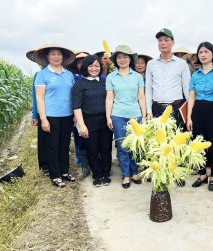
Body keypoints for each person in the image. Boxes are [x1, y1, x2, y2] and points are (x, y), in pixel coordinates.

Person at [145, 28, 191, 186]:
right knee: (157, 141)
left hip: (175, 108)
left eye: (166, 40)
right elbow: (148, 90)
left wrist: (189, 114)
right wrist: (149, 111)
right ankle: (157, 170)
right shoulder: (151, 64)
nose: (163, 43)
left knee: (175, 142)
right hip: (157, 108)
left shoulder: (182, 64)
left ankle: (175, 172)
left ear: (172, 42)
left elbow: (187, 90)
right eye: (160, 40)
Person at [186, 42, 213, 191]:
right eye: (200, 52)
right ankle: (202, 173)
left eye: (206, 51)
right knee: (198, 143)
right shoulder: (195, 75)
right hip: (198, 110)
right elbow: (191, 97)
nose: (203, 55)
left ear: (212, 54)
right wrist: (189, 117)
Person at [34, 43, 76, 188]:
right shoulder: (42, 74)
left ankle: (64, 172)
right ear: (47, 57)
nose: (56, 57)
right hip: (51, 115)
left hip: (67, 115)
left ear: (63, 57)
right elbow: (39, 98)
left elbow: (72, 96)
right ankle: (55, 176)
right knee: (52, 145)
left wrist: (75, 115)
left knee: (64, 144)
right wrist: (43, 118)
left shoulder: (68, 74)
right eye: (53, 54)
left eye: (59, 54)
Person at [106, 45, 146, 189]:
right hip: (118, 115)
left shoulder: (137, 77)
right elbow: (109, 98)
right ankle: (126, 175)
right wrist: (108, 117)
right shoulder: (111, 77)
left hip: (136, 115)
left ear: (130, 59)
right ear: (115, 60)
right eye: (119, 57)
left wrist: (144, 115)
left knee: (135, 146)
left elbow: (141, 97)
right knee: (122, 147)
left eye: (125, 57)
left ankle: (135, 172)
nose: (122, 60)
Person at [72, 55, 113, 187]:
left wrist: (109, 118)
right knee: (92, 148)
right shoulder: (79, 84)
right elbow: (76, 107)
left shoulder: (104, 82)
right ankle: (97, 175)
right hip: (88, 120)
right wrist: (82, 126)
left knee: (106, 148)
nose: (94, 68)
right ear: (85, 67)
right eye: (91, 66)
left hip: (105, 119)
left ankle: (106, 173)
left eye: (97, 65)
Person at [68, 51, 91, 178]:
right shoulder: (74, 80)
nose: (81, 65)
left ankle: (97, 165)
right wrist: (75, 116)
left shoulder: (99, 78)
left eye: (84, 62)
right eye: (79, 62)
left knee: (96, 141)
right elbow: (72, 99)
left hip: (94, 115)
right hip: (79, 115)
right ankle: (84, 166)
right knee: (81, 141)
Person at [27, 48, 48, 174]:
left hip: (56, 112)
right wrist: (35, 114)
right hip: (42, 112)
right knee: (43, 139)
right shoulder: (39, 75)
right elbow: (36, 97)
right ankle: (45, 165)